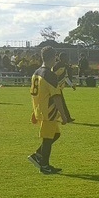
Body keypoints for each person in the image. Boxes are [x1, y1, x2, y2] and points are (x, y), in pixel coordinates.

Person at [28, 46, 70, 174]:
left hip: (40, 109)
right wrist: (63, 115)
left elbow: (36, 93)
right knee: (47, 138)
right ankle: (44, 166)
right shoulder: (49, 74)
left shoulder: (36, 72)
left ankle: (38, 155)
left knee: (55, 134)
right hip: (48, 110)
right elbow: (57, 97)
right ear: (53, 57)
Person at [53, 51, 75, 122]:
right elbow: (52, 75)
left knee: (59, 103)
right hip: (54, 87)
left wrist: (71, 85)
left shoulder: (64, 66)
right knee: (61, 103)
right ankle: (66, 118)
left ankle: (65, 117)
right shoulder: (57, 65)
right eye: (66, 58)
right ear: (62, 58)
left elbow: (65, 77)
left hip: (57, 88)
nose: (67, 59)